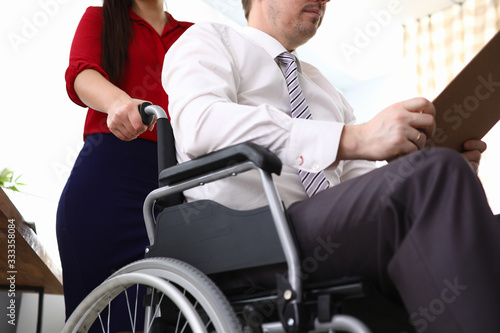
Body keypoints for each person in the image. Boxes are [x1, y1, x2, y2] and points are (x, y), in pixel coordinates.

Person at [162, 0, 500, 332]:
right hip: (252, 235)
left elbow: (361, 185)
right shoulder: (209, 40)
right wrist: (355, 139)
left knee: (471, 212)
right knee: (434, 177)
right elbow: (200, 123)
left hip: (325, 235)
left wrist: (448, 183)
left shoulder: (327, 90)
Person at [56, 0, 192, 330]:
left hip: (178, 183)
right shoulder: (101, 18)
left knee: (170, 314)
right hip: (106, 184)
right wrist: (118, 102)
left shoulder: (191, 35)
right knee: (104, 319)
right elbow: (81, 72)